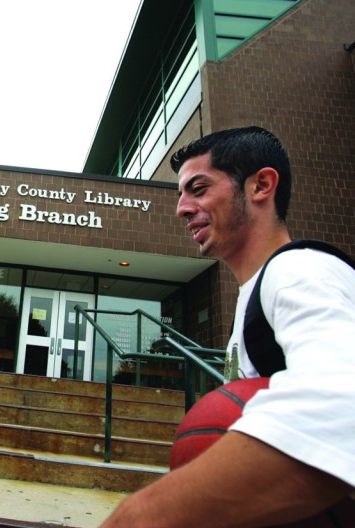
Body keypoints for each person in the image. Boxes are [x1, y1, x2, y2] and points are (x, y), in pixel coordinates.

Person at [101, 126, 355, 526]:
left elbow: (345, 402)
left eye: (198, 189)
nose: (182, 209)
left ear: (261, 186)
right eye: (181, 195)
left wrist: (143, 516)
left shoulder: (298, 270)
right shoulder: (251, 300)